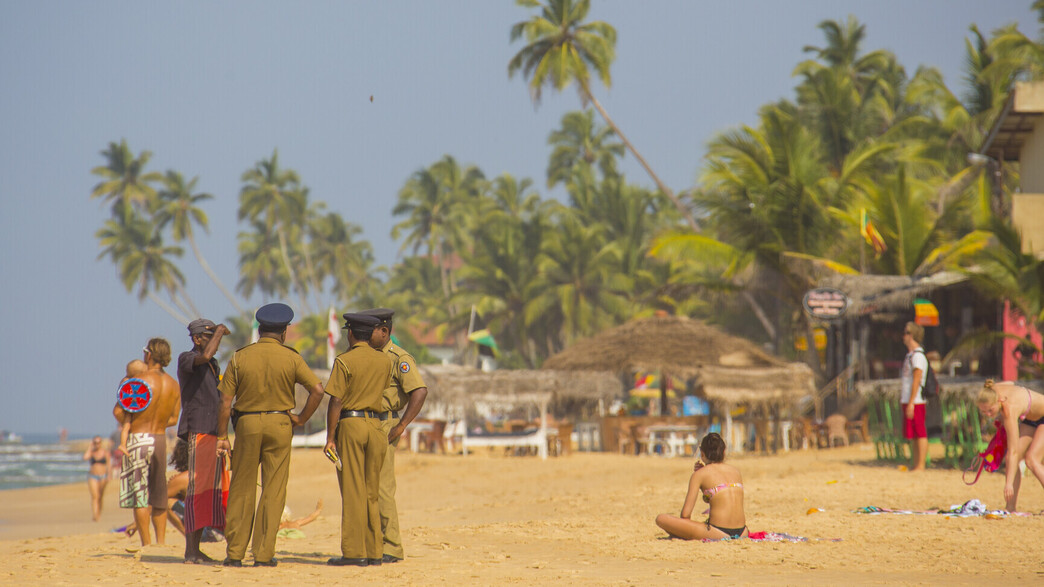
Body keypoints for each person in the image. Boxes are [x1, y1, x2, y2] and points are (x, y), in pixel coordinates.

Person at [215, 303, 325, 568]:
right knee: (274, 489)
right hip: (280, 423)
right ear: (285, 332)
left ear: (259, 330)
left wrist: (222, 436)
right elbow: (318, 391)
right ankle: (264, 554)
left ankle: (235, 553)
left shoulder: (241, 357)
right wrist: (300, 418)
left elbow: (225, 401)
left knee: (242, 489)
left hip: (247, 424)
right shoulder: (292, 357)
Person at [359, 307, 428, 564]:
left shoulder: (399, 357)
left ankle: (392, 547)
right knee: (365, 487)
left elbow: (419, 391)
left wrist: (401, 426)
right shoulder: (366, 354)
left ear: (385, 331)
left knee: (383, 488)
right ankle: (373, 544)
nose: (366, 334)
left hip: (385, 425)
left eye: (371, 330)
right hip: (364, 423)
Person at [324, 313, 392, 567]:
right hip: (376, 425)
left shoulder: (344, 360)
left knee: (353, 490)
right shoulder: (384, 361)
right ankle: (375, 551)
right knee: (372, 491)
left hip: (351, 424)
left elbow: (336, 400)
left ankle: (354, 552)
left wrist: (330, 437)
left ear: (351, 334)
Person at [112, 338, 181, 547]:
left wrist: (131, 422)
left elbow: (118, 411)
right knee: (159, 495)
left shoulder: (138, 380)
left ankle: (147, 545)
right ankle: (160, 544)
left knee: (140, 496)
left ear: (149, 354)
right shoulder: (174, 385)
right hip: (160, 440)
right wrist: (156, 421)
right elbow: (174, 419)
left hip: (137, 439)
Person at [176, 318, 231, 564]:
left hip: (213, 430)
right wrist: (220, 330)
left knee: (211, 492)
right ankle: (191, 551)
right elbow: (204, 356)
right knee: (197, 490)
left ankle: (196, 550)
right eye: (209, 337)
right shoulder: (187, 359)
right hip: (198, 430)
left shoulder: (212, 365)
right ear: (197, 339)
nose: (214, 343)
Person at [655, 433, 748, 540]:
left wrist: (700, 477)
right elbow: (721, 498)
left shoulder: (699, 475)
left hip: (718, 532)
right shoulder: (735, 471)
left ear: (702, 454)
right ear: (724, 452)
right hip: (743, 532)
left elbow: (685, 514)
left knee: (661, 519)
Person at [976, 379, 1044, 511]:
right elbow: (1012, 383)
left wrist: (1008, 485)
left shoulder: (1009, 410)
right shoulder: (991, 390)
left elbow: (1012, 451)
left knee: (1031, 460)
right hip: (1031, 418)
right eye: (984, 412)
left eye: (991, 410)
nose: (989, 415)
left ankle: (1011, 500)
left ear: (999, 401)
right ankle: (1010, 507)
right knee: (1015, 461)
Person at [900, 322, 929, 472]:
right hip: (909, 399)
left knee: (920, 432)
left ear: (911, 335)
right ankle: (916, 463)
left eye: (905, 332)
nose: (903, 336)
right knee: (913, 434)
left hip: (916, 400)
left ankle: (921, 464)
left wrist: (911, 402)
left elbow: (917, 380)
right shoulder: (910, 355)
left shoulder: (918, 356)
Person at [116, 359, 147, 456]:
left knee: (126, 426)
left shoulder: (125, 381)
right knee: (126, 425)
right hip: (131, 407)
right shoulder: (132, 382)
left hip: (131, 406)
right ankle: (122, 444)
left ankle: (122, 444)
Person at [83, 436, 111, 521]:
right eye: (95, 442)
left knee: (100, 496)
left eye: (98, 442)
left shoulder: (105, 452)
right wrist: (90, 447)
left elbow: (109, 465)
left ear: (101, 443)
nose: (97, 444)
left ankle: (99, 512)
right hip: (92, 476)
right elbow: (85, 457)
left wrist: (109, 475)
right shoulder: (91, 452)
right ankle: (95, 515)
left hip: (103, 476)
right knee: (94, 496)